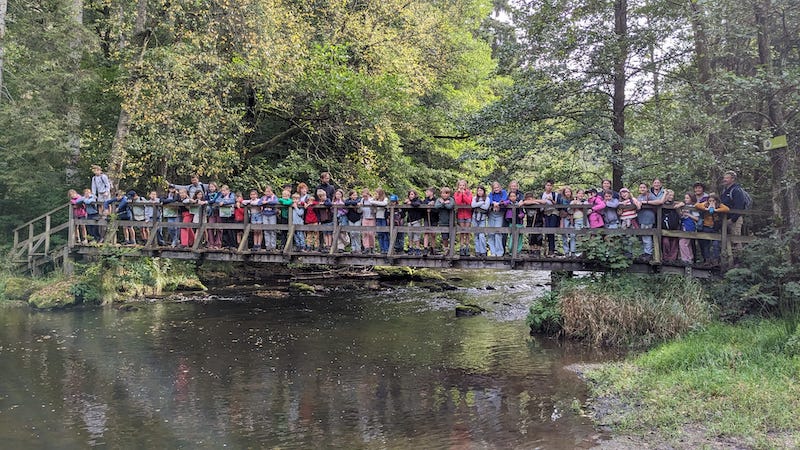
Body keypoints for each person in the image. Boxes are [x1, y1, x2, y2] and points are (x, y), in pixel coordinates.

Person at [695, 193, 729, 266]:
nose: (711, 202)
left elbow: (726, 209)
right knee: (706, 244)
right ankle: (707, 260)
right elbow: (697, 205)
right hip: (706, 227)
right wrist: (706, 209)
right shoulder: (705, 204)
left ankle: (715, 260)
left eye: (713, 201)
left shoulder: (719, 205)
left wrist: (716, 210)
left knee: (715, 244)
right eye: (710, 200)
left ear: (716, 201)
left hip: (715, 228)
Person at [637, 182, 665, 261]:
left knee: (647, 236)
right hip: (641, 218)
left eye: (644, 187)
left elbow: (659, 202)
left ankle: (648, 253)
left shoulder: (650, 195)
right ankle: (645, 252)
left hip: (648, 218)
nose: (642, 189)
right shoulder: (639, 196)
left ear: (647, 189)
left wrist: (646, 202)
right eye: (641, 187)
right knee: (643, 236)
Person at [720, 170, 747, 250]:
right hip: (725, 219)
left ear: (733, 179)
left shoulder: (736, 190)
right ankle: (728, 258)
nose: (725, 179)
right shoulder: (725, 190)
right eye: (724, 178)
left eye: (727, 178)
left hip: (735, 219)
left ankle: (738, 259)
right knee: (727, 240)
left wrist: (733, 219)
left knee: (736, 240)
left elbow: (739, 207)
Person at [660, 189, 684, 263]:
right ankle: (665, 258)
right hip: (664, 228)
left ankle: (672, 259)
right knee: (665, 242)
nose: (671, 197)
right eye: (669, 195)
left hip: (674, 227)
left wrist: (680, 205)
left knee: (674, 243)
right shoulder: (662, 203)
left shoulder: (674, 203)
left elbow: (684, 203)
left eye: (672, 195)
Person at [540, 180, 561, 256]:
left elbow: (558, 205)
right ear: (545, 186)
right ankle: (547, 249)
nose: (549, 187)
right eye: (547, 185)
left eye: (550, 185)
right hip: (545, 213)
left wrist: (551, 200)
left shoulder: (555, 194)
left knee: (551, 230)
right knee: (547, 231)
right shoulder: (542, 194)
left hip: (553, 213)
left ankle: (552, 249)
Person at [487, 181, 507, 257]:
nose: (496, 189)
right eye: (494, 188)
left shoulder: (503, 192)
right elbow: (490, 200)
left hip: (500, 214)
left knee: (498, 233)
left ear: (500, 187)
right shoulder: (491, 194)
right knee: (491, 233)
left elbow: (504, 199)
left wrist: (498, 203)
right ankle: (493, 251)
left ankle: (499, 252)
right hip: (492, 214)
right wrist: (494, 203)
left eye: (497, 187)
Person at [679, 193, 700, 265]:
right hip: (684, 225)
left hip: (690, 226)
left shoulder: (693, 207)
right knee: (687, 243)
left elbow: (697, 218)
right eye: (685, 198)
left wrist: (688, 214)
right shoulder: (684, 206)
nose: (685, 199)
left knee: (683, 243)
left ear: (691, 199)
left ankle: (686, 259)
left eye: (687, 198)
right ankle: (690, 258)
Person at [454, 180, 473, 256]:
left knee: (467, 232)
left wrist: (464, 194)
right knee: (462, 232)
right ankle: (461, 247)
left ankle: (467, 247)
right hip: (460, 215)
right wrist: (460, 194)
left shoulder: (469, 193)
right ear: (458, 186)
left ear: (465, 186)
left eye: (463, 185)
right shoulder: (456, 193)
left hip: (468, 214)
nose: (462, 187)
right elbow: (458, 202)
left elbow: (469, 202)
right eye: (460, 185)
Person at [471, 185, 490, 257]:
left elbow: (486, 207)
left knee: (481, 235)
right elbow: (473, 205)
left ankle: (483, 251)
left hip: (482, 218)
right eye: (478, 190)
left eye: (481, 190)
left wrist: (477, 205)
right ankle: (477, 251)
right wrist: (481, 203)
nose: (479, 192)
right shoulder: (475, 198)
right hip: (474, 218)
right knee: (476, 235)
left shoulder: (487, 198)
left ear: (484, 191)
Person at [434, 187, 455, 255]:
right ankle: (446, 249)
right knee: (444, 237)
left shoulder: (451, 199)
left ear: (449, 194)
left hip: (451, 222)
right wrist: (444, 203)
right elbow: (436, 206)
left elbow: (450, 206)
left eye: (447, 193)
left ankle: (451, 250)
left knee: (451, 236)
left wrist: (443, 204)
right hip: (442, 221)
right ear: (441, 194)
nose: (445, 195)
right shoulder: (439, 199)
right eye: (443, 193)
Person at [404, 190, 424, 255]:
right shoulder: (408, 201)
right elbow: (403, 210)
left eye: (412, 194)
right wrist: (405, 203)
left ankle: (417, 248)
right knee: (410, 235)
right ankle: (410, 248)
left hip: (416, 220)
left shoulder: (418, 200)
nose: (410, 196)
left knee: (417, 235)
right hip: (409, 221)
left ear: (415, 195)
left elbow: (418, 204)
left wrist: (410, 203)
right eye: (410, 194)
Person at [260, 186, 279, 251]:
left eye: (269, 191)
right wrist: (263, 202)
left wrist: (267, 202)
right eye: (266, 191)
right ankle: (267, 246)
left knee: (272, 230)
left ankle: (273, 246)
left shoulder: (274, 197)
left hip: (272, 215)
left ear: (271, 191)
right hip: (265, 215)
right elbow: (259, 202)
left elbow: (276, 202)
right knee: (266, 231)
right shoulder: (263, 197)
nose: (267, 193)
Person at [570, 189, 588, 257]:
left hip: (584, 220)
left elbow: (587, 210)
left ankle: (583, 252)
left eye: (582, 194)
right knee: (575, 236)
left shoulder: (585, 202)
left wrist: (579, 205)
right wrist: (574, 205)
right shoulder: (573, 201)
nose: (581, 195)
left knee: (584, 236)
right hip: (576, 220)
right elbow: (569, 210)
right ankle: (573, 252)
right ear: (576, 194)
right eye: (579, 193)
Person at [204, 182, 222, 249]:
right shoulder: (207, 194)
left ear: (215, 187)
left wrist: (208, 202)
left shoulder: (219, 193)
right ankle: (211, 243)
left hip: (218, 212)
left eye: (212, 187)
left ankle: (218, 244)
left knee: (219, 228)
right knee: (210, 227)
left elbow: (216, 200)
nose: (211, 188)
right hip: (211, 213)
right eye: (210, 187)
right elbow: (205, 200)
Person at [422, 188, 439, 256]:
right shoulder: (425, 200)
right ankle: (425, 249)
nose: (426, 193)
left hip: (434, 219)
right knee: (426, 233)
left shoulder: (436, 200)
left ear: (431, 193)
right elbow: (422, 207)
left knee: (433, 234)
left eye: (427, 191)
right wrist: (427, 207)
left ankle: (433, 248)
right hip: (427, 218)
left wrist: (432, 208)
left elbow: (438, 210)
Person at [559, 187, 575, 257]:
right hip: (564, 217)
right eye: (566, 192)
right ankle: (566, 251)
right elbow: (559, 208)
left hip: (572, 217)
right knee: (564, 234)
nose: (568, 193)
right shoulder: (561, 200)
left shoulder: (574, 199)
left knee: (573, 235)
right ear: (564, 193)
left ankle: (573, 251)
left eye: (569, 192)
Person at [372, 188, 390, 254]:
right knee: (380, 234)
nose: (375, 194)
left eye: (376, 193)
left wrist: (375, 202)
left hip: (383, 218)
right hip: (378, 218)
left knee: (385, 234)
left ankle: (386, 249)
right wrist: (374, 199)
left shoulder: (385, 199)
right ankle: (381, 249)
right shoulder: (375, 200)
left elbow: (384, 204)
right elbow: (370, 201)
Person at [360, 189, 376, 254]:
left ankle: (372, 247)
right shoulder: (362, 200)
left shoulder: (372, 200)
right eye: (363, 195)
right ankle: (366, 247)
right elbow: (360, 210)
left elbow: (374, 207)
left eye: (365, 195)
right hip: (364, 217)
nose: (364, 197)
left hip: (372, 218)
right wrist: (360, 205)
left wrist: (369, 199)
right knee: (365, 233)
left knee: (371, 234)